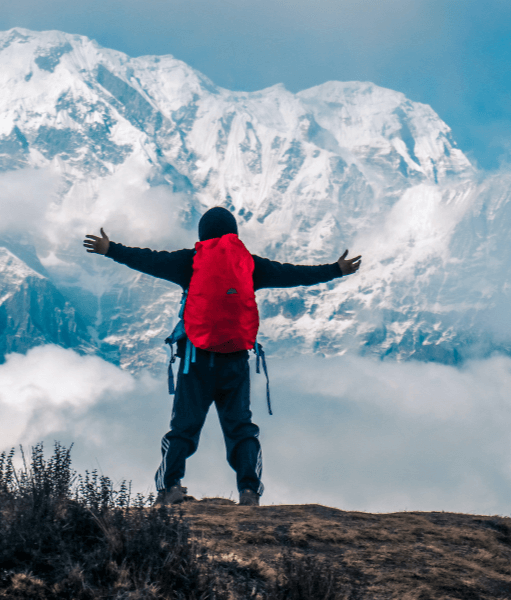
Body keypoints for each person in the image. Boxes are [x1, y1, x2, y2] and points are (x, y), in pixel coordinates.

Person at [84, 207, 361, 506]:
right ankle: (249, 491)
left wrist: (110, 249)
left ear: (202, 233)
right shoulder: (250, 264)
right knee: (241, 430)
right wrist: (336, 269)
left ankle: (169, 489)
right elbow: (294, 274)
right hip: (235, 360)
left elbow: (148, 259)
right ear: (234, 233)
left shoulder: (189, 261)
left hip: (195, 360)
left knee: (183, 428)